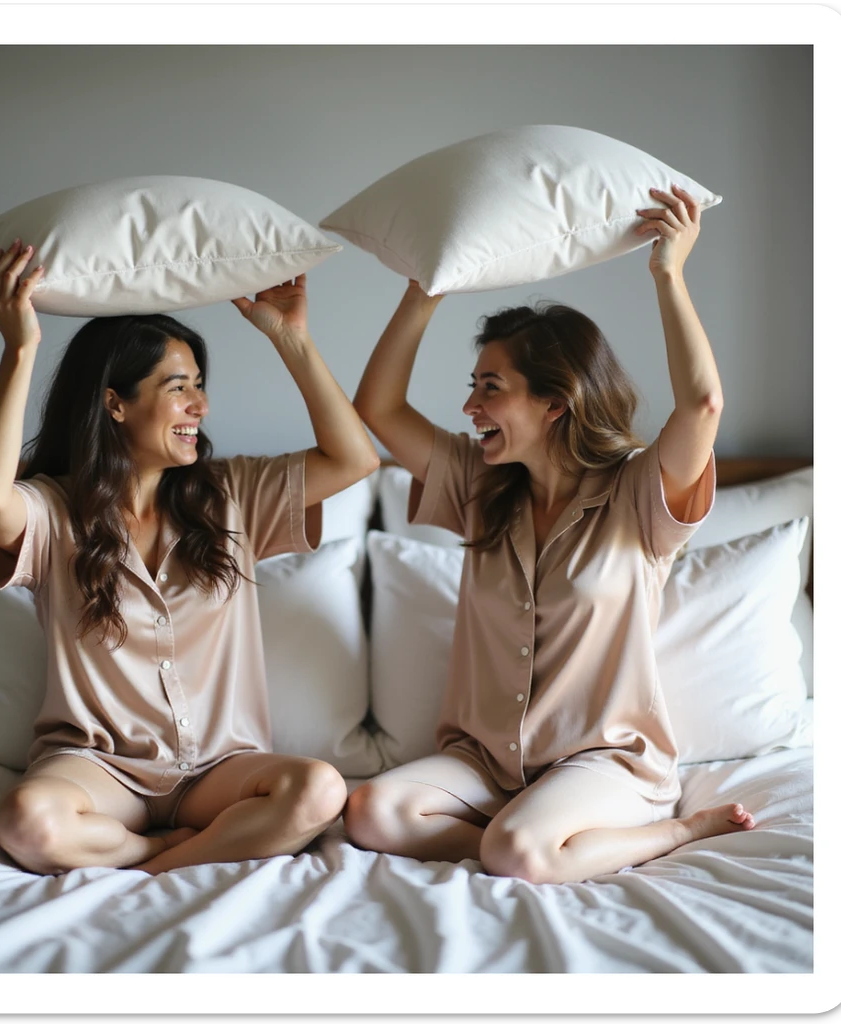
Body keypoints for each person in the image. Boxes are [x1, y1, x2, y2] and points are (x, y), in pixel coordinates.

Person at [345, 184, 755, 884]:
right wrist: (426, 290)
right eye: (474, 387)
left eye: (490, 388)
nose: (470, 407)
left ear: (555, 401)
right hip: (486, 762)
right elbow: (377, 407)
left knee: (514, 854)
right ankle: (522, 827)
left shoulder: (637, 495)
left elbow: (704, 403)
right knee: (368, 812)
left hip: (601, 761)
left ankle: (675, 828)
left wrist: (669, 273)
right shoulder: (481, 489)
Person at [0, 239, 379, 876]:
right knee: (26, 821)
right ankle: (163, 853)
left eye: (200, 387)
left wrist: (292, 339)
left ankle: (155, 862)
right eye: (179, 387)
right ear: (115, 403)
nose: (201, 407)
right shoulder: (54, 509)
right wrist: (20, 347)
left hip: (219, 769)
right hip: (99, 768)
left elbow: (357, 460)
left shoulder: (232, 495)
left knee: (320, 788)